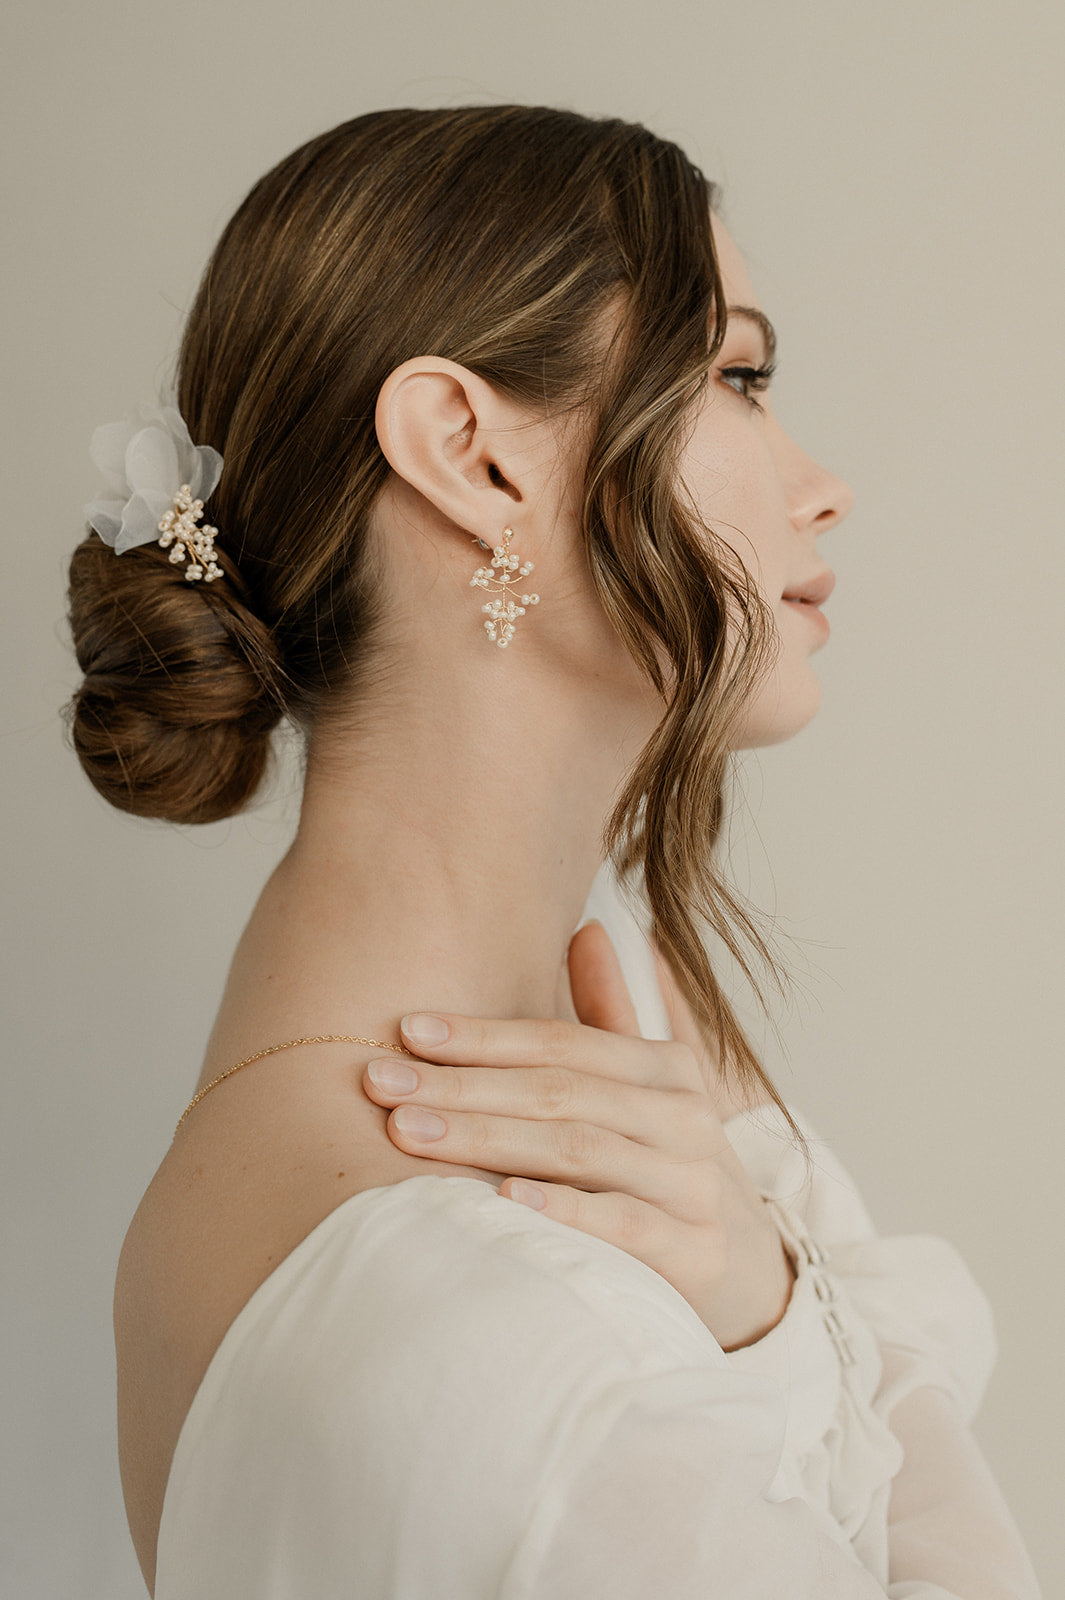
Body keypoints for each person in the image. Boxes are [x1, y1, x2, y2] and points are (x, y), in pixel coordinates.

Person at [65, 106, 1042, 1598]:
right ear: (473, 455)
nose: (818, 480)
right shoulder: (507, 1321)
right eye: (735, 376)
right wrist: (776, 1321)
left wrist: (766, 1304)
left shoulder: (549, 1082)